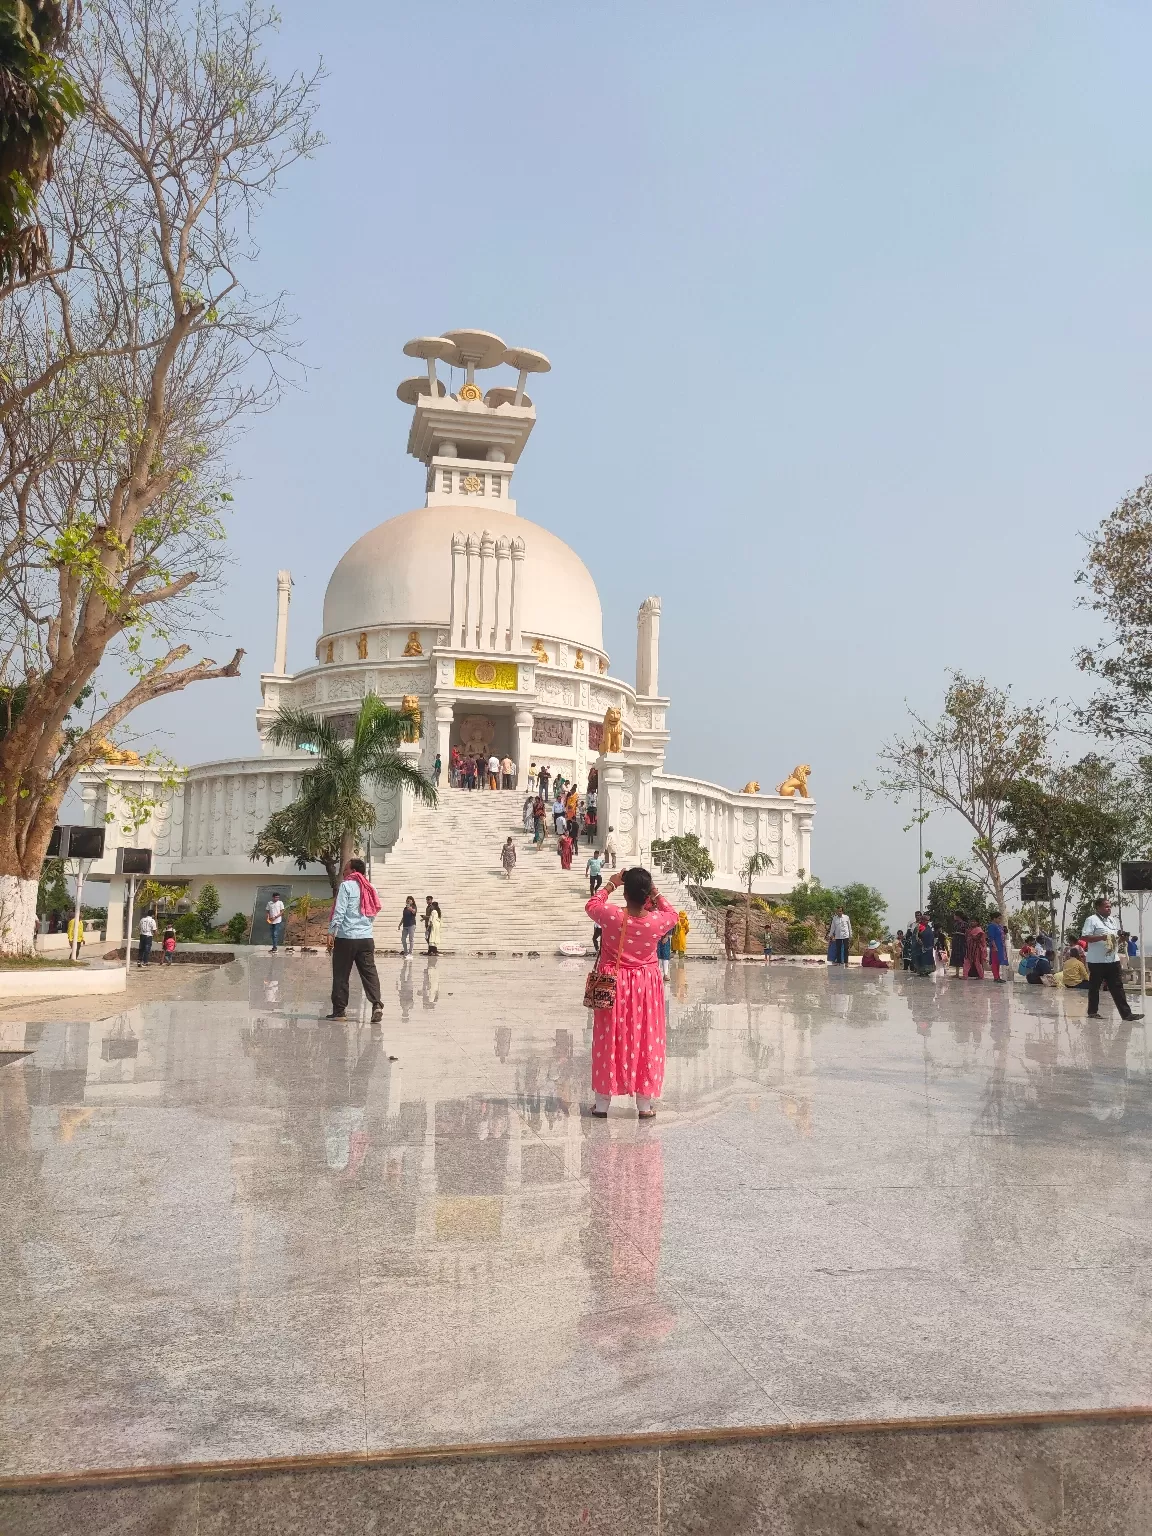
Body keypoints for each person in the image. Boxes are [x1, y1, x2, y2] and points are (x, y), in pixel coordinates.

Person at [585, 867, 679, 1119]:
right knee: (647, 1038)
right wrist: (655, 892)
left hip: (613, 983)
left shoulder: (612, 916)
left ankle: (603, 1104)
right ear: (646, 894)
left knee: (609, 1038)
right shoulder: (655, 921)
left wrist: (611, 884)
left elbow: (592, 904)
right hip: (645, 986)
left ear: (625, 893)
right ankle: (644, 1105)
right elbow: (672, 914)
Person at [327, 858, 383, 1022]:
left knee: (341, 975)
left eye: (345, 869)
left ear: (352, 871)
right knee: (369, 974)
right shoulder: (371, 887)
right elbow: (374, 911)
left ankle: (339, 1011)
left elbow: (340, 911)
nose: (343, 872)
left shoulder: (346, 886)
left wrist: (332, 932)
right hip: (366, 938)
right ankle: (377, 1005)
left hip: (346, 938)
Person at [1082, 896, 1143, 1022]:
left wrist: (1122, 939)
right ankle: (1092, 1012)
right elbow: (1085, 937)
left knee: (1118, 987)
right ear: (1098, 907)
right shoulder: (1091, 920)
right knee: (1095, 987)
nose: (1109, 909)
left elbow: (1114, 940)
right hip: (1097, 961)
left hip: (1112, 960)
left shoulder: (1112, 921)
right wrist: (1102, 937)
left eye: (1110, 906)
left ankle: (1127, 1014)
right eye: (1106, 906)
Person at [987, 911, 1008, 984]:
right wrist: (994, 946)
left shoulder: (999, 926)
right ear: (994, 918)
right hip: (995, 946)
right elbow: (991, 937)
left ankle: (998, 977)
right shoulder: (991, 926)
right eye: (999, 919)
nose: (1000, 920)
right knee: (995, 962)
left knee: (998, 962)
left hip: (1001, 946)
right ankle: (996, 977)